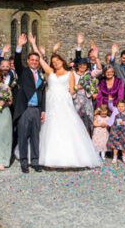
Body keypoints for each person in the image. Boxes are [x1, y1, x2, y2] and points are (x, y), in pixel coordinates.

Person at [32, 34, 102, 169]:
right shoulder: (50, 72)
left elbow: (72, 90)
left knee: (66, 128)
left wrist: (79, 87)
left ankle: (70, 159)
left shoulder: (70, 73)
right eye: (53, 62)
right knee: (51, 129)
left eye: (57, 60)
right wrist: (34, 45)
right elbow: (40, 60)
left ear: (62, 61)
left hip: (64, 102)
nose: (55, 63)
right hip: (51, 102)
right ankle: (50, 159)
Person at [12, 33, 46, 173]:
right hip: (25, 108)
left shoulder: (42, 75)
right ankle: (24, 162)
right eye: (31, 60)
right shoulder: (24, 72)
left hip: (36, 109)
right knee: (23, 136)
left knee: (35, 137)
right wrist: (19, 46)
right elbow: (17, 62)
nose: (34, 62)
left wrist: (43, 110)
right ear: (28, 61)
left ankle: (35, 161)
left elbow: (43, 94)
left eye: (36, 60)